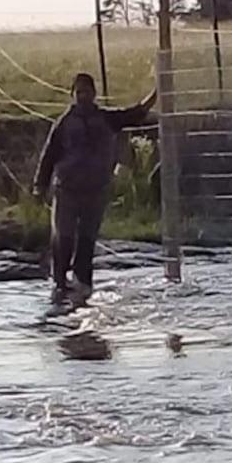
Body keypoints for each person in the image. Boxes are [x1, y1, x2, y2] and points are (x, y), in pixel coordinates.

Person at [33, 73, 157, 308]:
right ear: (72, 95)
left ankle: (83, 286)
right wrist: (40, 186)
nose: (83, 97)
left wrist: (156, 94)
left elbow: (134, 114)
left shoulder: (105, 119)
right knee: (64, 237)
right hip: (67, 189)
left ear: (94, 94)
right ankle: (60, 284)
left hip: (95, 190)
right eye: (78, 92)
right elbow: (48, 157)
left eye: (87, 92)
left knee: (87, 239)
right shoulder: (64, 124)